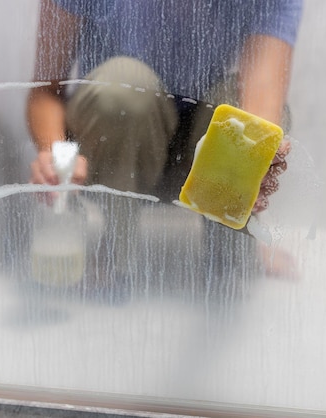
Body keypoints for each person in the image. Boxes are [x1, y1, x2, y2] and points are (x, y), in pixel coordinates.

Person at [27, 0, 303, 293]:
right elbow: (46, 89)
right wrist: (56, 155)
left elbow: (261, 98)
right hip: (108, 153)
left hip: (196, 163)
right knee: (123, 87)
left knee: (247, 126)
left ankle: (229, 256)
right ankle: (117, 252)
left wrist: (253, 165)